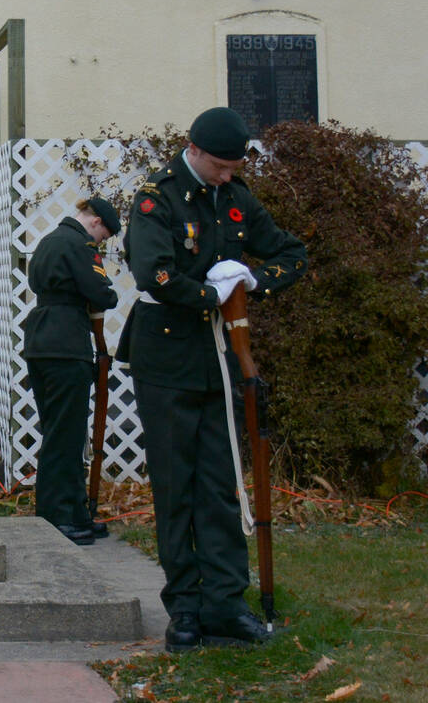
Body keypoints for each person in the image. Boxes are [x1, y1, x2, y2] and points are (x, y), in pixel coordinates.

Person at [118, 107, 307, 653]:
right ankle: (185, 611)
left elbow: (290, 253)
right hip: (168, 356)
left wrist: (251, 281)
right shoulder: (158, 198)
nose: (228, 176)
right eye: (221, 166)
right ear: (194, 150)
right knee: (177, 488)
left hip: (221, 358)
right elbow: (154, 271)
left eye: (234, 167)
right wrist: (213, 294)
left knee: (222, 489)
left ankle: (226, 605)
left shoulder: (236, 197)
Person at [22, 195, 121, 545]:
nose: (101, 243)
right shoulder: (79, 244)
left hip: (41, 340)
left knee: (58, 432)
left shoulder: (50, 241)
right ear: (95, 223)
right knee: (66, 436)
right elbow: (103, 293)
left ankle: (73, 512)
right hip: (66, 344)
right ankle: (57, 516)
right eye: (104, 236)